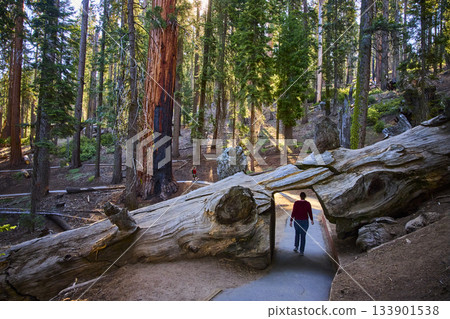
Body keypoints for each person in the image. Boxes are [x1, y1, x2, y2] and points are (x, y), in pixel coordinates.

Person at [289, 192, 314, 256]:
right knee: (303, 235)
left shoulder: (296, 203)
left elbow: (293, 212)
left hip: (297, 220)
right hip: (305, 221)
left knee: (297, 233)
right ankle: (301, 251)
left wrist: (291, 220)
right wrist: (311, 220)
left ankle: (296, 247)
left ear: (300, 196)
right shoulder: (308, 204)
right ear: (305, 197)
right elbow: (310, 212)